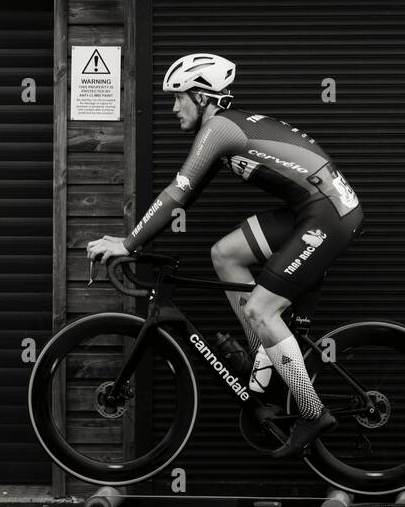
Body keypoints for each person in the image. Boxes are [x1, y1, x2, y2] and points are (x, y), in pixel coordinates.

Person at [86, 52, 364, 459]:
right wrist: (137, 240)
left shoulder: (218, 129)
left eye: (178, 97)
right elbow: (188, 195)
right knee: (225, 254)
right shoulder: (225, 130)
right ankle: (263, 357)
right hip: (312, 209)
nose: (173, 108)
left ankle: (311, 410)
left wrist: (127, 244)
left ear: (201, 97)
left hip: (329, 215)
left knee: (260, 311)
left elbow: (177, 192)